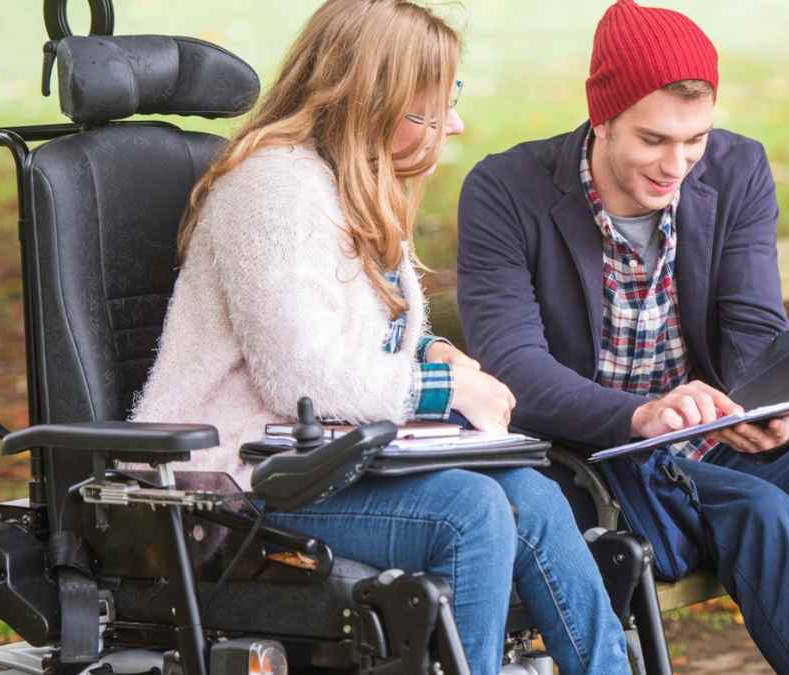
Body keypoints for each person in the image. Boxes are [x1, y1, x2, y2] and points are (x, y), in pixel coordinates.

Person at [131, 2, 629, 673]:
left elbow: (362, 331)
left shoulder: (353, 184)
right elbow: (299, 376)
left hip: (328, 461)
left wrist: (432, 352)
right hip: (237, 479)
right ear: (371, 98)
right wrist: (446, 387)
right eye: (430, 106)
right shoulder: (273, 186)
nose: (452, 124)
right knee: (470, 510)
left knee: (532, 491)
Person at [455, 1, 789, 673]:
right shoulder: (507, 190)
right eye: (653, 140)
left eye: (694, 140)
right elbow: (513, 367)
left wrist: (780, 403)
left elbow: (753, 329)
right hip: (602, 457)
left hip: (718, 438)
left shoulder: (737, 169)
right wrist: (640, 413)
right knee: (761, 509)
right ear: (602, 116)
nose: (676, 164)